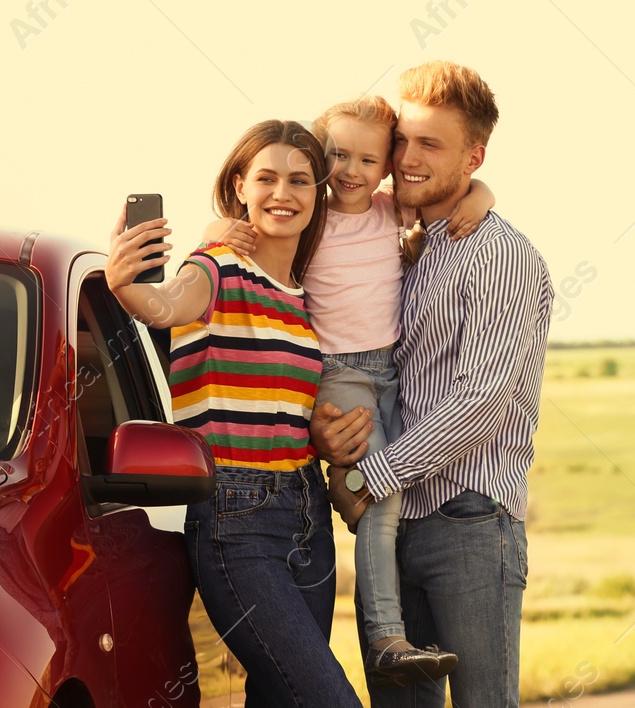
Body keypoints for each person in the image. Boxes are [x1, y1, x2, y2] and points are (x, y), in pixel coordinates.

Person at [216, 94, 496, 688]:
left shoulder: (392, 213)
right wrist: (223, 228)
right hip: (341, 375)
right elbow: (250, 228)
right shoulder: (309, 221)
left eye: (367, 160)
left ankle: (392, 634)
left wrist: (482, 194)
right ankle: (386, 637)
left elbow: (460, 195)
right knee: (382, 496)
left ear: (387, 167)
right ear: (319, 159)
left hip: (391, 372)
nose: (349, 171)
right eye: (337, 155)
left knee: (381, 498)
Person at [314, 60, 554, 707]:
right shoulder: (410, 243)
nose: (406, 158)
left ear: (475, 155)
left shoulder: (498, 255)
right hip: (392, 530)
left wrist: (368, 478)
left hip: (468, 523)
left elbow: (480, 403)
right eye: (403, 141)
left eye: (431, 144)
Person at [103, 119, 359, 706]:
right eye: (266, 178)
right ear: (240, 186)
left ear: (316, 193)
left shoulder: (303, 300)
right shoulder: (215, 266)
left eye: (299, 180)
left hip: (308, 513)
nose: (282, 193)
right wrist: (128, 287)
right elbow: (168, 303)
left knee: (279, 696)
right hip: (235, 519)